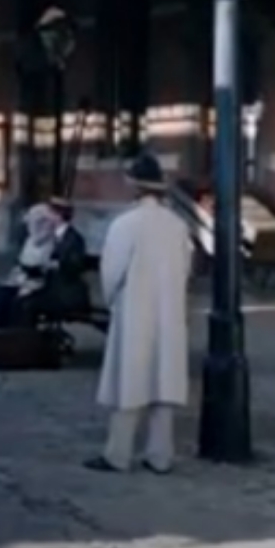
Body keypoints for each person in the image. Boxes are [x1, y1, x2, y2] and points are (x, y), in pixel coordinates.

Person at [86, 152, 192, 475]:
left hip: (134, 308)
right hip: (169, 310)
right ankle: (160, 455)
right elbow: (186, 268)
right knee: (163, 380)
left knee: (129, 381)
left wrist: (112, 300)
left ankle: (118, 453)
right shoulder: (177, 225)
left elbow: (111, 271)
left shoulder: (125, 224)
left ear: (134, 185)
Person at [0, 202, 61, 339]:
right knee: (0, 293)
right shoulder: (29, 242)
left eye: (40, 223)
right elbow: (21, 263)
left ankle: (13, 336)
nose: (36, 227)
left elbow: (52, 267)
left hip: (40, 285)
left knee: (18, 302)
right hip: (22, 279)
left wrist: (37, 271)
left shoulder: (53, 242)